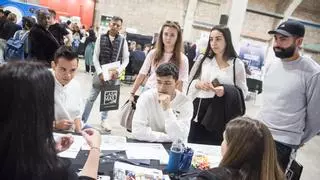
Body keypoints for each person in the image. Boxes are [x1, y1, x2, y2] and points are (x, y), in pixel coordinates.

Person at [0, 61, 101, 180]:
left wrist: (49, 150)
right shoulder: (51, 171)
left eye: (72, 70)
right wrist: (95, 148)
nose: (67, 75)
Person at [257, 20, 320, 171]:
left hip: (284, 143)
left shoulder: (313, 72)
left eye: (283, 39)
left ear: (299, 41)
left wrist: (297, 140)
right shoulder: (272, 65)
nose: (277, 44)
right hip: (259, 133)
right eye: (276, 38)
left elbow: (316, 117)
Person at [187, 25, 248, 145]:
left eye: (218, 39)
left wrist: (225, 90)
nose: (214, 43)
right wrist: (198, 84)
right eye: (211, 39)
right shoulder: (203, 60)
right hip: (199, 110)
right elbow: (189, 83)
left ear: (227, 40)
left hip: (221, 113)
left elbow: (243, 92)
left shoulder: (237, 64)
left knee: (215, 148)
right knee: (193, 145)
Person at [197, 117, 284, 180]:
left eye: (224, 139)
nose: (221, 144)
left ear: (235, 148)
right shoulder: (276, 175)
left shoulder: (211, 177)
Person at [82, 16, 129, 131]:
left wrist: (118, 71)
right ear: (109, 24)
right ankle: (83, 120)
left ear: (121, 27)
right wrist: (99, 72)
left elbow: (126, 59)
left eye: (118, 25)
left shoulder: (123, 40)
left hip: (113, 75)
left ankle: (104, 120)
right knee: (91, 98)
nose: (115, 27)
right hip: (100, 73)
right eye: (113, 24)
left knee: (107, 100)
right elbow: (95, 57)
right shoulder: (101, 37)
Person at [132, 63, 193, 142]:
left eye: (167, 83)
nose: (162, 88)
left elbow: (180, 136)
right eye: (159, 82)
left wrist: (167, 109)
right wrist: (168, 137)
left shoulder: (185, 102)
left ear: (176, 83)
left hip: (174, 148)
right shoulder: (146, 97)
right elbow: (137, 131)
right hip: (149, 145)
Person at [129, 21, 189, 97]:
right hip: (149, 90)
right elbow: (142, 73)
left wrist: (177, 101)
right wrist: (132, 93)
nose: (168, 38)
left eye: (172, 35)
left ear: (177, 38)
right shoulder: (153, 53)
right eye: (166, 34)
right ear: (161, 35)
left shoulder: (183, 59)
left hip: (168, 95)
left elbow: (181, 82)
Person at [51, 46, 83, 133]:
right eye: (63, 69)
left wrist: (79, 131)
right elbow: (31, 119)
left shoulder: (76, 85)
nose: (68, 75)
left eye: (72, 70)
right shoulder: (43, 84)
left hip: (71, 134)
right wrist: (55, 125)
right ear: (53, 66)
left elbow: (77, 114)